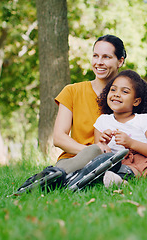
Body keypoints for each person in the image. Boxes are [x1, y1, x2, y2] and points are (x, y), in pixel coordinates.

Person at [13, 35, 130, 194]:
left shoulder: (129, 96)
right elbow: (59, 137)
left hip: (113, 161)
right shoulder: (72, 91)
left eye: (106, 57)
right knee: (93, 157)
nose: (99, 62)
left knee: (115, 168)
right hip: (74, 159)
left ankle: (69, 178)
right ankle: (60, 175)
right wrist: (90, 153)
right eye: (95, 56)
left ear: (120, 61)